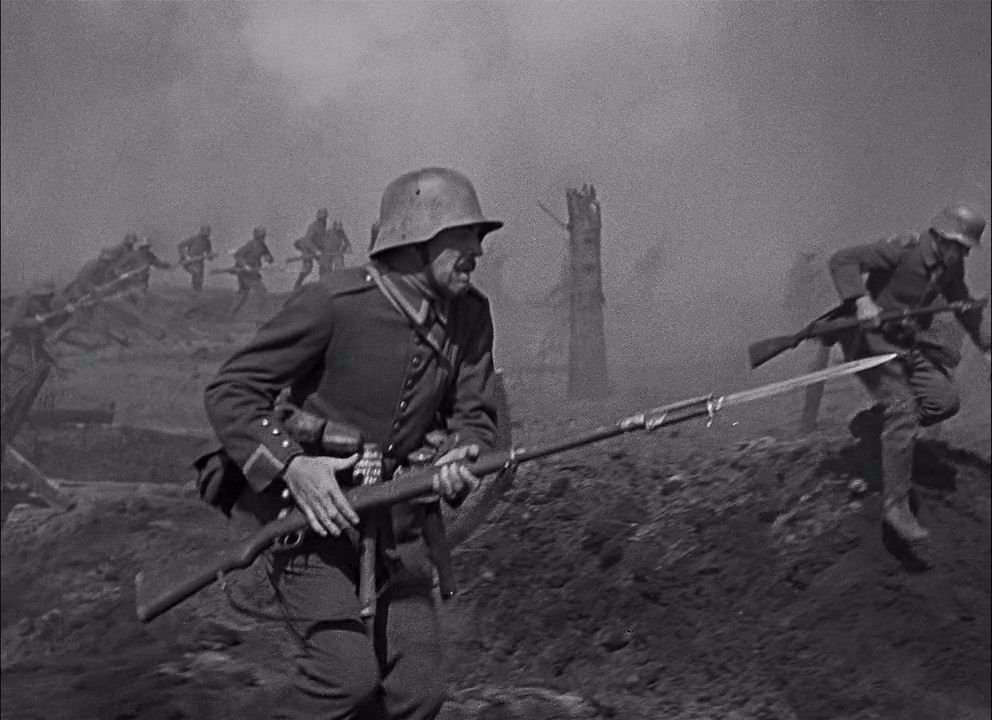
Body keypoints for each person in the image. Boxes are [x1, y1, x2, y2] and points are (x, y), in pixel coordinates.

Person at [204, 167, 502, 719]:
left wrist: (462, 453)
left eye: (477, 237)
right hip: (310, 525)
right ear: (415, 239)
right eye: (463, 236)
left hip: (399, 526)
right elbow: (232, 391)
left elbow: (476, 415)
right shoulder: (334, 303)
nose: (477, 251)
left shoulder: (470, 315)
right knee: (344, 679)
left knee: (418, 691)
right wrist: (293, 465)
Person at [828, 203, 991, 556]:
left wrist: (987, 346)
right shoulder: (902, 250)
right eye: (959, 247)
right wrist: (861, 302)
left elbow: (962, 303)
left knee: (943, 401)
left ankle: (873, 427)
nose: (962, 255)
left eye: (966, 249)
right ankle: (896, 506)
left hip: (905, 345)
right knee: (902, 407)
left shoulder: (950, 266)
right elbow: (842, 260)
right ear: (941, 238)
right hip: (869, 344)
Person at [229, 226, 274, 317]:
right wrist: (245, 265)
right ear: (256, 236)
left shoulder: (263, 246)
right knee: (261, 291)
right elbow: (238, 255)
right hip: (245, 273)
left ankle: (231, 313)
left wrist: (268, 260)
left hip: (253, 273)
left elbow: (269, 257)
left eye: (263, 236)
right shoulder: (250, 244)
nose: (262, 238)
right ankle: (258, 315)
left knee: (243, 294)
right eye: (260, 236)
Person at [292, 208, 328, 291]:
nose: (324, 219)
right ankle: (297, 286)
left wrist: (324, 250)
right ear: (318, 217)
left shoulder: (323, 227)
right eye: (322, 217)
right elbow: (308, 240)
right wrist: (316, 251)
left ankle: (324, 284)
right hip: (307, 249)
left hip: (317, 249)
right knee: (307, 268)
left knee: (324, 265)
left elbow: (321, 241)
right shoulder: (313, 226)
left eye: (325, 217)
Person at [177, 224, 215, 292]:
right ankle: (196, 291)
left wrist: (211, 256)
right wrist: (185, 257)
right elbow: (181, 246)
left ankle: (197, 292)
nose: (207, 234)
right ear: (201, 231)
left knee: (199, 278)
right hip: (189, 262)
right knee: (196, 273)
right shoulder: (193, 238)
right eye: (205, 232)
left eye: (208, 232)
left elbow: (209, 255)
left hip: (199, 263)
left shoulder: (207, 242)